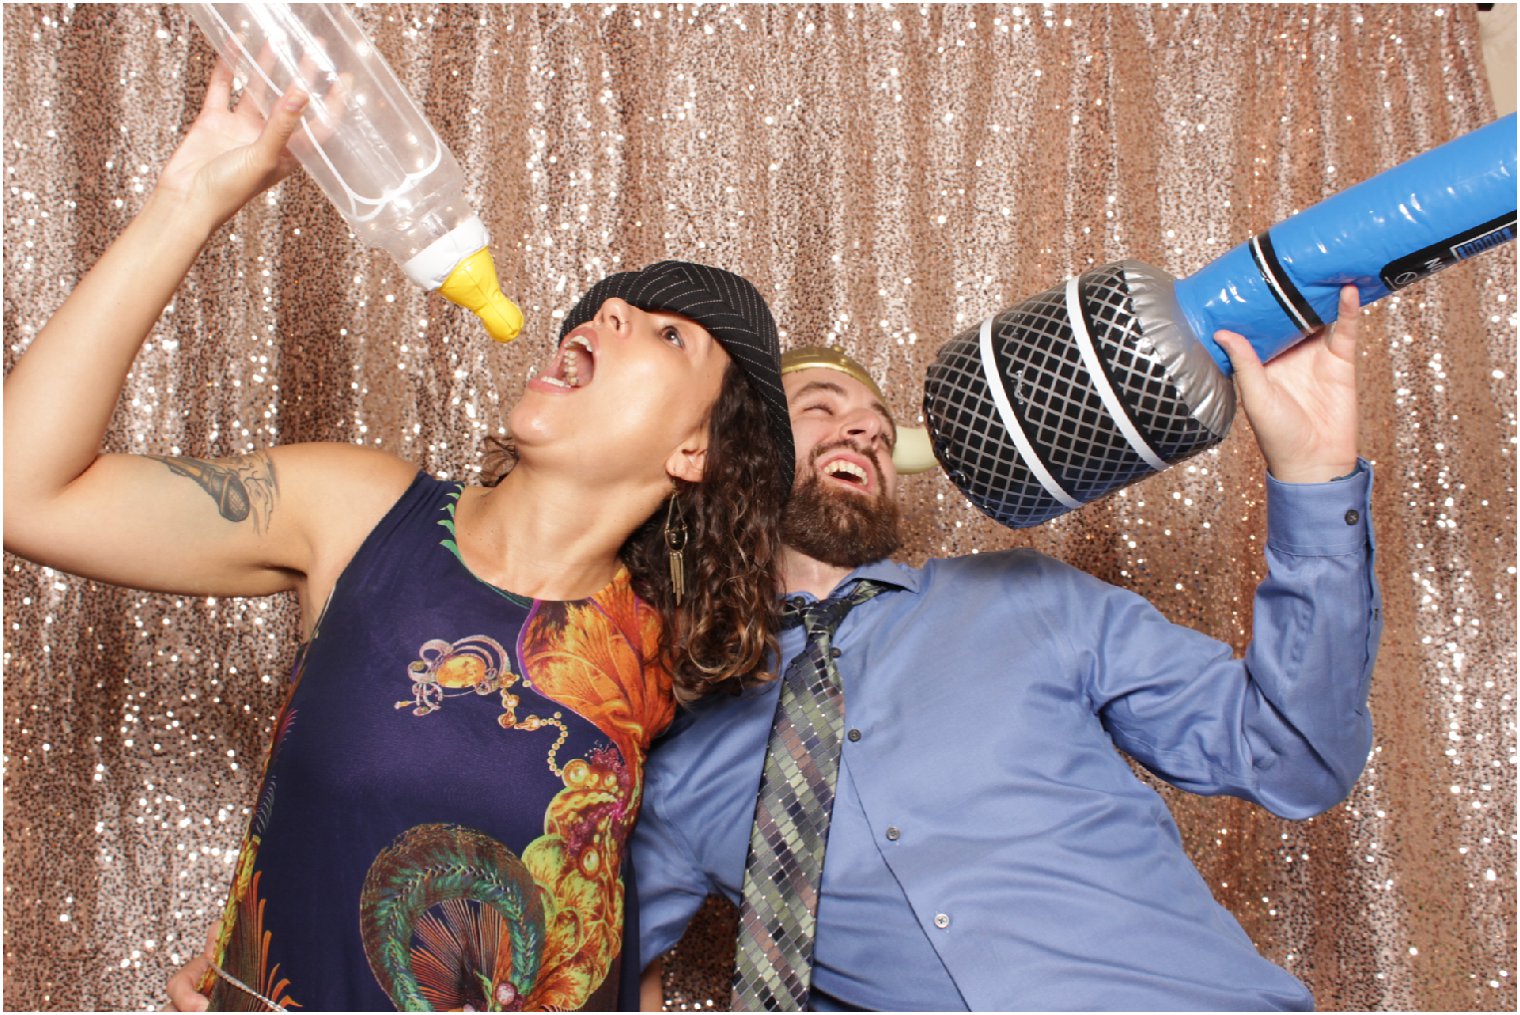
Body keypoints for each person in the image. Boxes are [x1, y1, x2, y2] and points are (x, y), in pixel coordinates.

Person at [3, 64, 795, 1011]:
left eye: (670, 336)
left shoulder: (671, 654)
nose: (608, 312)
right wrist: (188, 199)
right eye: (609, 307)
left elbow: (625, 938)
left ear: (699, 449)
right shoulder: (361, 512)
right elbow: (25, 492)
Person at [632, 298, 1381, 1011]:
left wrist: (1314, 477)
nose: (863, 428)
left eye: (880, 432)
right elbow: (582, 967)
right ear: (729, 454)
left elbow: (1292, 754)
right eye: (822, 406)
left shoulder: (1027, 595)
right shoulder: (673, 754)